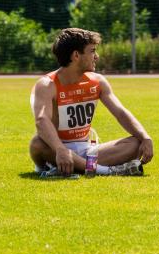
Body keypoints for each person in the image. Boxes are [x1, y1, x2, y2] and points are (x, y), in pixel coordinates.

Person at [29, 27, 152, 177]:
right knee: (37, 143)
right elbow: (41, 120)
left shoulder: (97, 81)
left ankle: (71, 168)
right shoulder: (47, 85)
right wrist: (60, 149)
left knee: (136, 143)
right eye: (92, 51)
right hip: (55, 149)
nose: (97, 57)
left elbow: (120, 113)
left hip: (88, 150)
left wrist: (145, 137)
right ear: (76, 55)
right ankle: (105, 171)